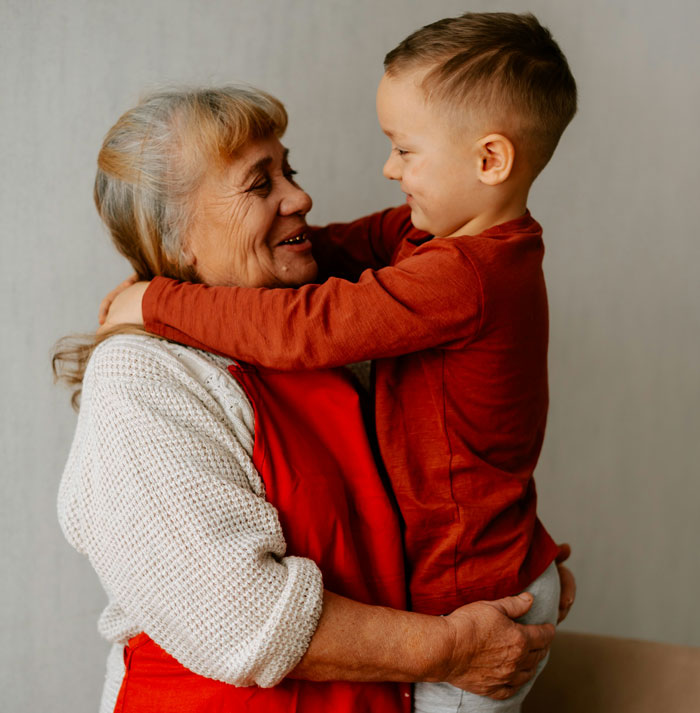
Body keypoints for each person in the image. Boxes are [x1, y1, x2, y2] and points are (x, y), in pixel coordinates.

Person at [101, 13, 578, 712]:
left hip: (472, 601)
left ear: (489, 161)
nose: (302, 197)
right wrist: (171, 297)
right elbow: (243, 616)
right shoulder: (145, 383)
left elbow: (314, 328)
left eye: (289, 171)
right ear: (177, 242)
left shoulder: (442, 278)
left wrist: (160, 298)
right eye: (262, 183)